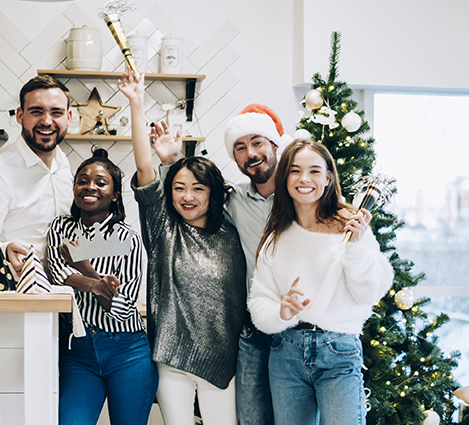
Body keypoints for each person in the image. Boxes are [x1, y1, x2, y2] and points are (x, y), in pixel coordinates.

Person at [119, 68, 246, 425]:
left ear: (214, 193)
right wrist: (137, 103)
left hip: (225, 356)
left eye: (198, 189)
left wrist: (177, 162)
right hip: (170, 355)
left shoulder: (233, 232)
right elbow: (145, 170)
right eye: (178, 188)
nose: (187, 197)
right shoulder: (163, 229)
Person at [152, 102, 292, 425]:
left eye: (257, 142)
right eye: (240, 147)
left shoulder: (299, 195)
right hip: (254, 331)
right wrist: (172, 161)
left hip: (298, 329)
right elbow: (193, 201)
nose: (250, 153)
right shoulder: (235, 202)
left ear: (275, 145)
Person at [247, 139, 393, 425]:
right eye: (295, 171)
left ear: (328, 178)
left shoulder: (351, 227)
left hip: (338, 352)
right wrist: (282, 311)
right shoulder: (276, 238)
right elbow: (258, 303)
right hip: (285, 353)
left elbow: (369, 292)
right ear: (284, 177)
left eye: (314, 171)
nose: (304, 179)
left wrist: (356, 247)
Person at [46, 148, 158, 425]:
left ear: (115, 194)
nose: (89, 187)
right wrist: (98, 285)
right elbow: (58, 273)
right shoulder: (60, 228)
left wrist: (85, 270)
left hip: (128, 352)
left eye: (100, 182)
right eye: (82, 180)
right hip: (79, 352)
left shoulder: (127, 239)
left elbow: (122, 308)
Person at [0, 75, 73, 275]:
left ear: (68, 117)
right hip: (16, 295)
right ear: (19, 115)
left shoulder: (63, 162)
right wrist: (4, 250)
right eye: (36, 111)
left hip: (62, 294)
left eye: (56, 112)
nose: (47, 121)